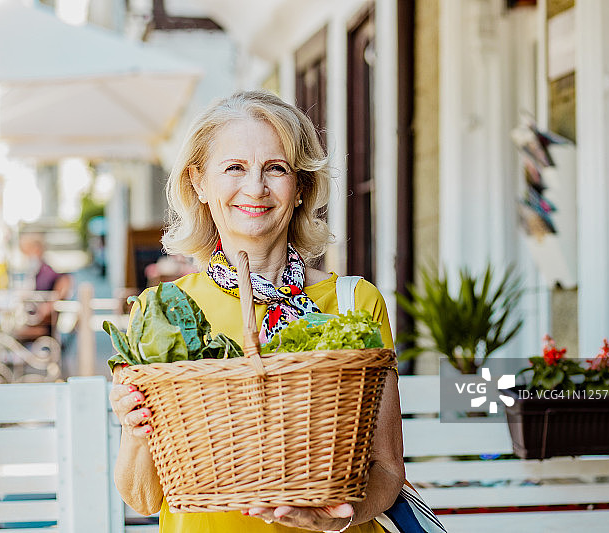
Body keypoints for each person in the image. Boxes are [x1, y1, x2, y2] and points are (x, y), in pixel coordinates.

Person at [109, 90, 405, 533]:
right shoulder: (164, 315)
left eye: (276, 168)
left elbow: (388, 471)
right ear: (199, 183)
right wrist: (136, 430)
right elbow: (143, 497)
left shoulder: (355, 303)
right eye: (234, 167)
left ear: (301, 187)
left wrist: (334, 521)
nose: (255, 188)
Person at [15, 233, 73, 342]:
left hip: (41, 324)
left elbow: (65, 281)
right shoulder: (35, 271)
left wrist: (50, 305)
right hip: (32, 319)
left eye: (27, 252)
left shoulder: (47, 271)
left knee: (9, 334)